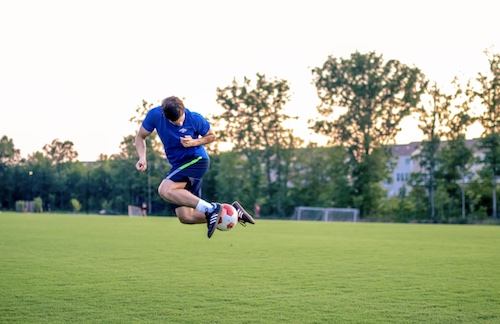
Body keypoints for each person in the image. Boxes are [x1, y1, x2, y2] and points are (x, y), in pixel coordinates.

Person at [135, 96, 255, 238]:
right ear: (164, 116)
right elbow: (140, 136)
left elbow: (211, 136)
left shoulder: (195, 119)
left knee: (164, 190)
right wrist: (142, 157)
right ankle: (233, 213)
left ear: (183, 109)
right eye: (175, 123)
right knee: (186, 217)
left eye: (181, 119)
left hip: (196, 160)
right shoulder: (155, 115)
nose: (179, 124)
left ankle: (212, 209)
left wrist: (194, 142)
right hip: (179, 165)